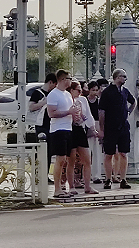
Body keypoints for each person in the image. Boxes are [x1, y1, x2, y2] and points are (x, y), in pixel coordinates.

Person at [98, 68, 135, 189]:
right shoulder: (107, 92)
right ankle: (108, 178)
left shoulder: (125, 91)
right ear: (117, 77)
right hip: (110, 126)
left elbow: (133, 101)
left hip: (123, 126)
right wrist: (102, 128)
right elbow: (101, 111)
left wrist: (128, 112)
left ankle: (123, 178)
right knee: (109, 153)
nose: (125, 78)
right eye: (123, 76)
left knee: (123, 153)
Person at [46, 69, 77, 198]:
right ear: (63, 79)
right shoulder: (54, 94)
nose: (70, 81)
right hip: (58, 130)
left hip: (68, 128)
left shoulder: (67, 94)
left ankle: (68, 185)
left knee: (69, 159)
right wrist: (68, 112)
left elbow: (70, 110)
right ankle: (57, 188)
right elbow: (51, 113)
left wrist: (75, 114)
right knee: (60, 159)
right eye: (69, 78)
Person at [66, 80, 99, 195]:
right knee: (71, 160)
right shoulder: (67, 100)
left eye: (81, 90)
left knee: (87, 159)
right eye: (78, 90)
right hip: (70, 129)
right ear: (71, 90)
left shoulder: (83, 100)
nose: (80, 92)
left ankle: (87, 186)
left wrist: (92, 128)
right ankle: (71, 186)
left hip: (80, 129)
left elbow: (88, 115)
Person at [29, 73, 57, 182]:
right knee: (40, 150)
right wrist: (43, 103)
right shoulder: (37, 93)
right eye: (54, 84)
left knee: (49, 151)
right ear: (50, 82)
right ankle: (37, 175)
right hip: (41, 125)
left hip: (51, 125)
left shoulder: (53, 94)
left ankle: (45, 175)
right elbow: (31, 107)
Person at [86, 80, 103, 183]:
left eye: (96, 90)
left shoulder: (99, 101)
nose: (95, 92)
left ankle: (96, 175)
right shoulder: (85, 101)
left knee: (97, 151)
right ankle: (86, 174)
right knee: (87, 150)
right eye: (93, 90)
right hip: (87, 124)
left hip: (97, 123)